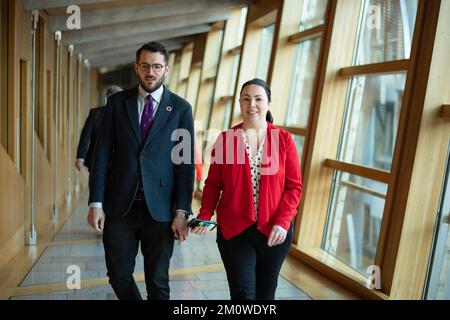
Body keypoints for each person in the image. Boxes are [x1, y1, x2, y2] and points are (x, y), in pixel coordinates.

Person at [88, 42, 195, 300]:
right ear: (136, 68)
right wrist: (96, 202)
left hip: (160, 212)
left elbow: (185, 165)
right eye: (145, 66)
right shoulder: (116, 104)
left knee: (158, 283)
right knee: (118, 275)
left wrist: (182, 211)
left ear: (166, 69)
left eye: (157, 66)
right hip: (119, 207)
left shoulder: (181, 109)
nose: (151, 72)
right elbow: (101, 155)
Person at [192, 78, 303, 300]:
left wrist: (282, 222)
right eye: (246, 99)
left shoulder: (284, 140)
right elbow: (214, 184)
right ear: (240, 104)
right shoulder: (226, 140)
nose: (252, 104)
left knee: (265, 293)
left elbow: (294, 187)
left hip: (274, 231)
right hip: (235, 230)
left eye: (258, 99)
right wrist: (205, 215)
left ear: (268, 103)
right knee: (243, 293)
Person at [75, 85, 123, 172]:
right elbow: (85, 135)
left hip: (119, 163)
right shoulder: (95, 113)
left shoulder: (126, 116)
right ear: (107, 98)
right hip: (96, 161)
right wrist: (80, 157)